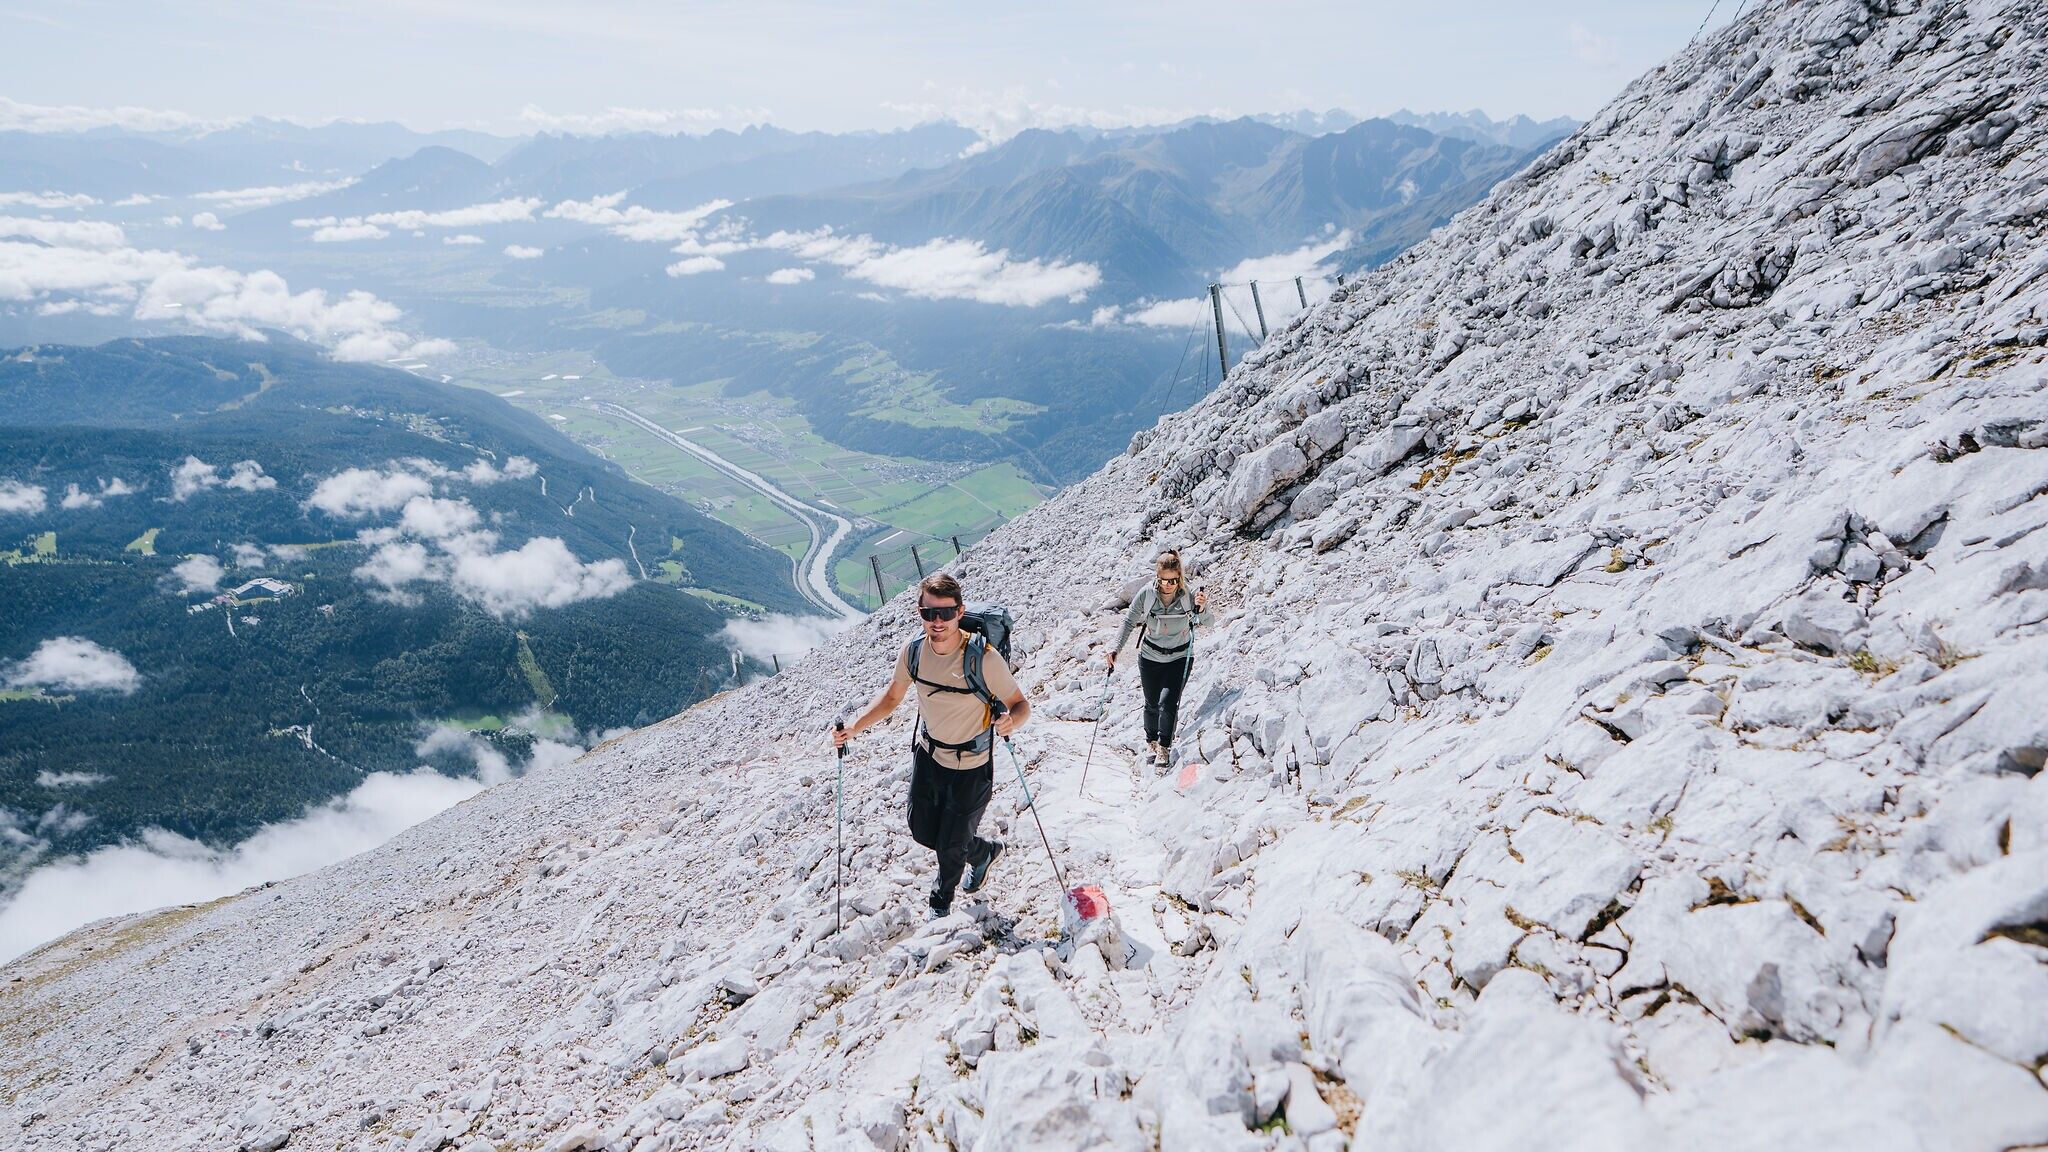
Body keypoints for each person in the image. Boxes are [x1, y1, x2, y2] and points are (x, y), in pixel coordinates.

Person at [833, 573, 1029, 919]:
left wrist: (1012, 721)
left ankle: (940, 905)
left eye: (946, 613)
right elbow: (892, 698)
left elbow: (1020, 704)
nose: (937, 621)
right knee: (922, 829)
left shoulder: (983, 658)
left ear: (960, 612)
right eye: (929, 613)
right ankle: (982, 852)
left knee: (950, 846)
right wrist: (854, 728)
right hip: (929, 756)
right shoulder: (913, 652)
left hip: (971, 765)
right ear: (919, 612)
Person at [1107, 550, 1208, 768]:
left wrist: (1203, 607)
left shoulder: (1189, 595)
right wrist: (1115, 649)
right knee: (1151, 703)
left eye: (1173, 580)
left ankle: (1164, 746)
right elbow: (1128, 621)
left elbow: (1208, 621)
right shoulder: (1146, 594)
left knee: (1168, 703)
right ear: (1157, 576)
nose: (1168, 585)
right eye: (1163, 580)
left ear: (1179, 577)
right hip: (1150, 658)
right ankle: (1151, 741)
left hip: (1180, 657)